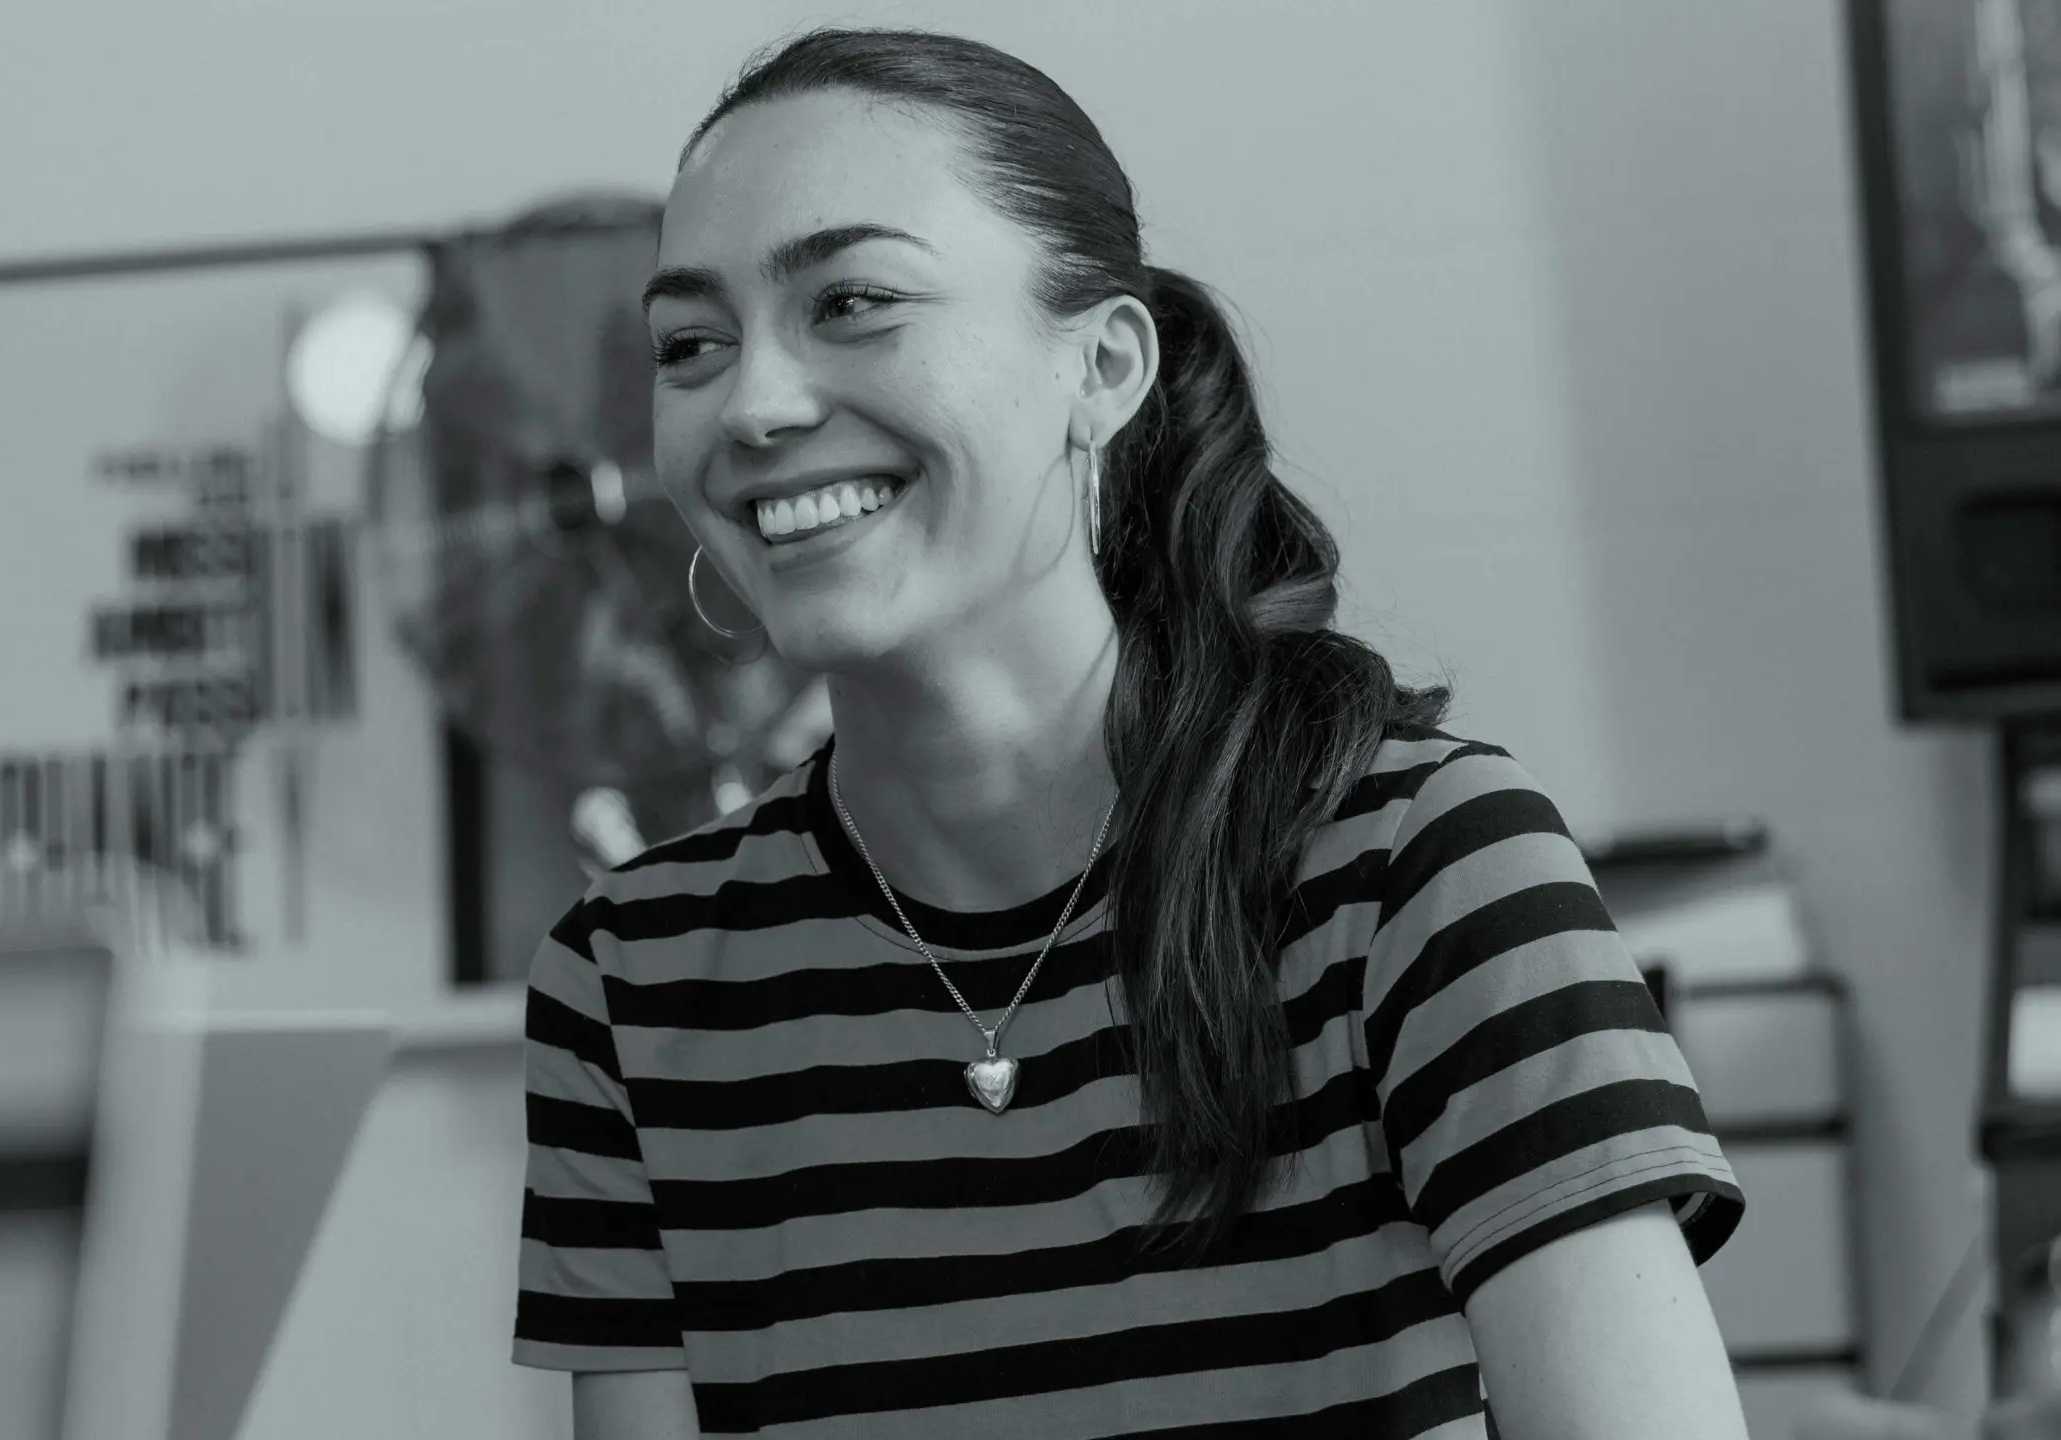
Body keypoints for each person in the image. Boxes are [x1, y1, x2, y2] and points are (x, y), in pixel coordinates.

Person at [512, 26, 1749, 1440]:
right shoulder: (633, 987)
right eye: (690, 345)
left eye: (853, 302)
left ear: (1102, 366)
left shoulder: (1420, 871)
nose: (754, 405)